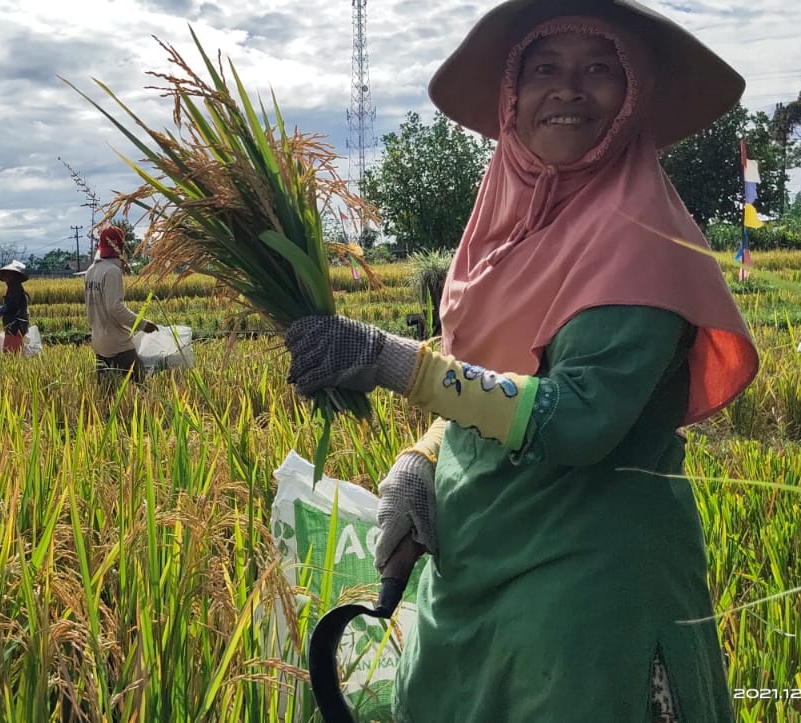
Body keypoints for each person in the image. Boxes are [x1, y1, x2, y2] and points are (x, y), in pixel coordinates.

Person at [283, 1, 760, 720]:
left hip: (585, 597)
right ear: (512, 96)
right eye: (544, 68)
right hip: (471, 580)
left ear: (634, 95)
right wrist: (423, 457)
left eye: (600, 67)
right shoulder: (506, 226)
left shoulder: (642, 237)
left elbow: (576, 418)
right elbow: (493, 373)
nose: (568, 88)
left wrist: (388, 361)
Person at [85, 225, 157, 392]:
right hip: (117, 342)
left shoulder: (91, 271)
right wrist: (142, 324)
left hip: (98, 340)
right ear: (120, 246)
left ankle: (104, 416)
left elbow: (90, 308)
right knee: (143, 386)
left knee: (106, 391)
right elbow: (115, 307)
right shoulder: (112, 272)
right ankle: (148, 415)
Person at [0, 260, 31, 353]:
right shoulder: (14, 288)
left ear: (14, 277)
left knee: (11, 354)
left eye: (8, 276)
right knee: (12, 354)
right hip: (14, 326)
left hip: (15, 327)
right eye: (5, 276)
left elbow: (10, 307)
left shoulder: (15, 288)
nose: (6, 278)